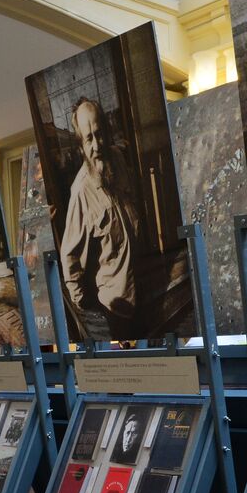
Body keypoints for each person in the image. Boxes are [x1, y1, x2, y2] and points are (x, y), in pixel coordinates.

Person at [60, 97, 143, 341]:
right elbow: (69, 258)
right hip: (114, 311)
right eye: (88, 138)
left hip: (142, 291)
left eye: (99, 134)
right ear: (81, 147)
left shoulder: (117, 158)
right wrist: (88, 311)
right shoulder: (81, 192)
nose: (97, 145)